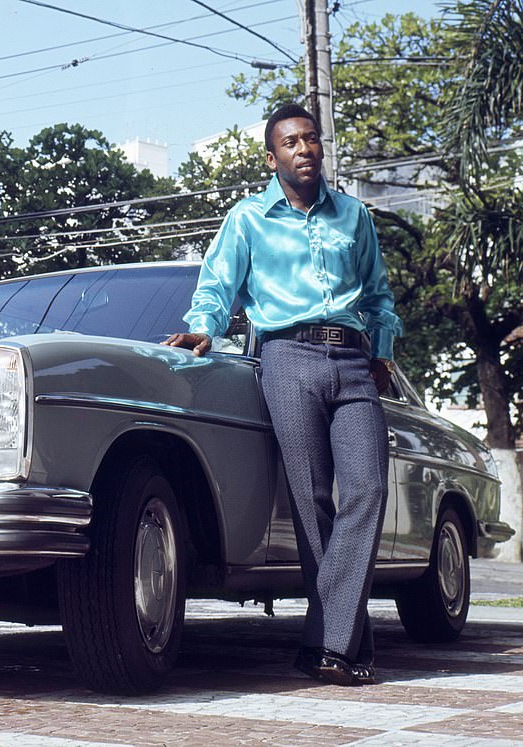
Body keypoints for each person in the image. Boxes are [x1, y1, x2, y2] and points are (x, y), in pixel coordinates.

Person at [163, 103, 402, 686]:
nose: (304, 149)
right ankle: (341, 648)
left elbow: (378, 294)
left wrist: (384, 350)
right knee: (310, 501)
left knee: (368, 489)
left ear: (321, 148)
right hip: (286, 357)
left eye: (311, 139)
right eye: (291, 142)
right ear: (272, 158)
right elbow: (218, 286)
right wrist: (204, 329)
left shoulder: (354, 216)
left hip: (351, 360)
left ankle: (327, 641)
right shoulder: (248, 219)